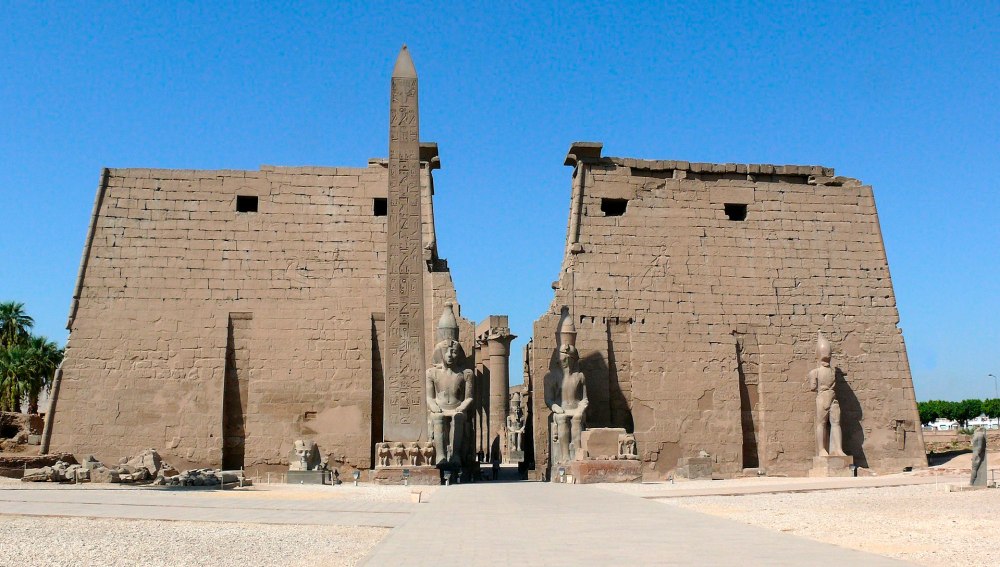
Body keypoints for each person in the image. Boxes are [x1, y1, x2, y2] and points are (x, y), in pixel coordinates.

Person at [808, 332, 846, 457]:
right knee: (822, 424)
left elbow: (813, 387)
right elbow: (813, 387)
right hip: (824, 397)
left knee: (835, 423)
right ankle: (821, 450)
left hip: (831, 398)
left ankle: (838, 449)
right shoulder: (815, 372)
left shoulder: (830, 371)